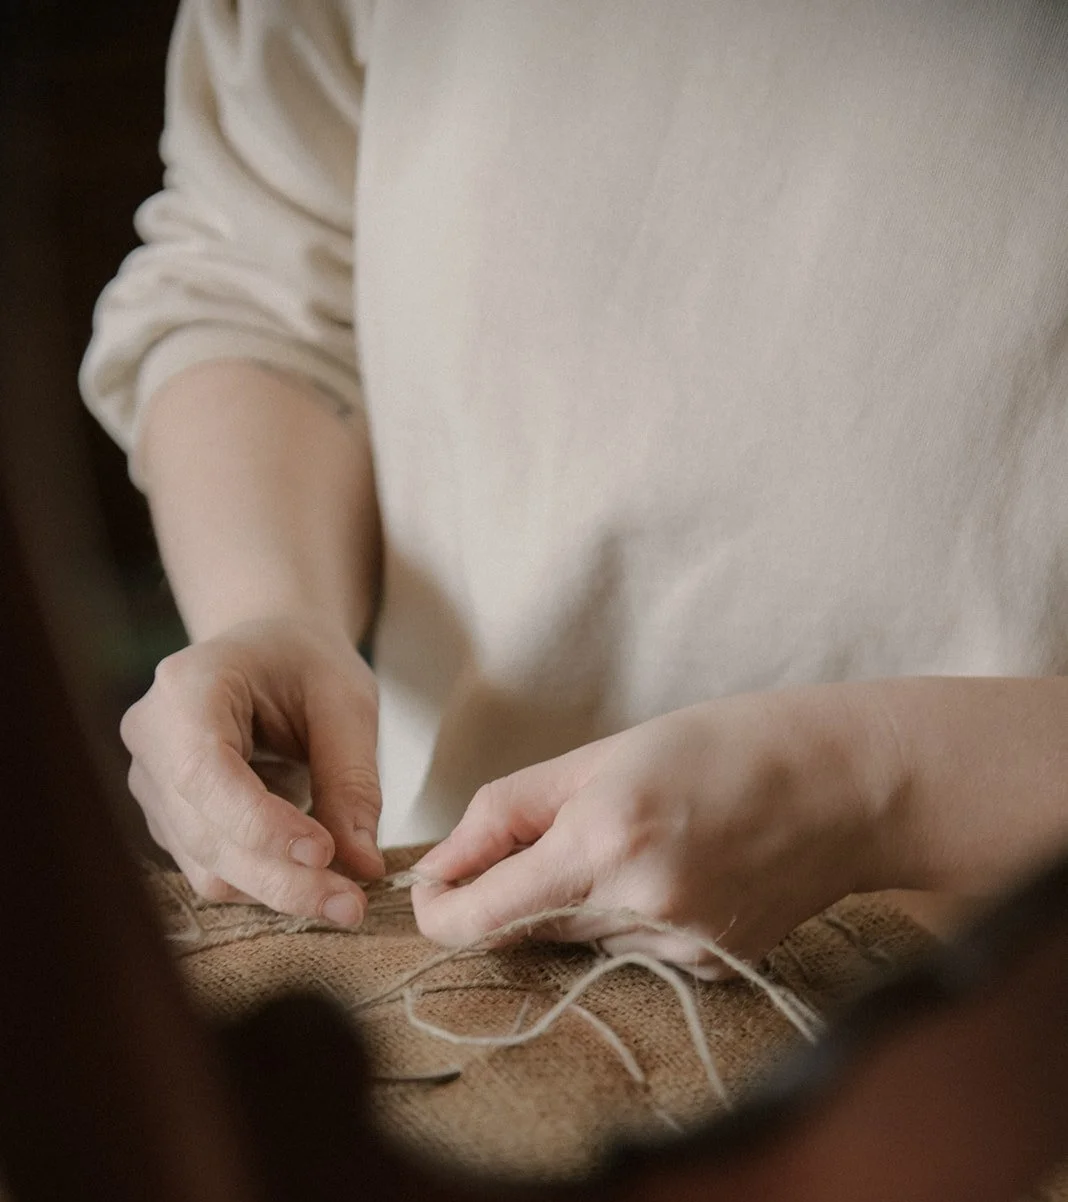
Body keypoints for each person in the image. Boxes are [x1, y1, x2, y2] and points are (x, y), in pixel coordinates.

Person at [81, 0, 1068, 975]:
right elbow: (256, 286)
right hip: (457, 934)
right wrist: (269, 609)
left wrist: (871, 785)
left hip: (1015, 1007)